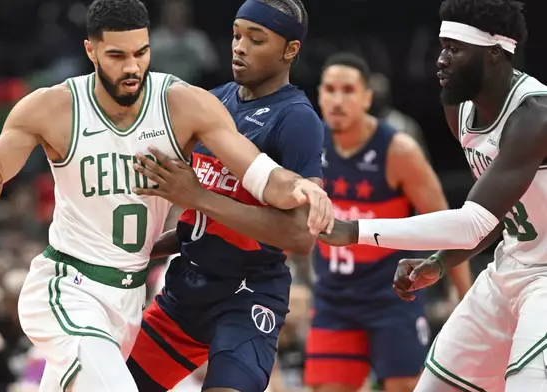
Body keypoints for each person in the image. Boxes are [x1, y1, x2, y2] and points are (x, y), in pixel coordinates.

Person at [0, 0, 333, 390]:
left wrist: (303, 189)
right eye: (117, 55)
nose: (132, 67)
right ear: (91, 51)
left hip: (131, 299)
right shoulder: (51, 107)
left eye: (141, 53)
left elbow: (265, 176)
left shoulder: (186, 105)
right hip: (69, 287)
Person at [319, 0, 547, 390]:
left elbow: (472, 221)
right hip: (510, 266)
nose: (440, 60)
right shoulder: (457, 108)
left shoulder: (535, 116)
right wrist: (441, 262)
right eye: (442, 47)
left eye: (454, 50)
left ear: (494, 54)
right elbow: (494, 216)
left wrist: (354, 231)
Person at [124, 1, 325, 391]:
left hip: (246, 296)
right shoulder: (213, 102)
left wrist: (198, 197)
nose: (239, 47)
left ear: (290, 50)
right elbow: (200, 224)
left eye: (256, 38)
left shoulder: (297, 119)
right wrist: (141, 249)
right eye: (236, 35)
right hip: (186, 291)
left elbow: (301, 237)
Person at [304, 53, 472, 392]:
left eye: (348, 90)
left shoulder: (399, 150)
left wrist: (465, 297)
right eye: (330, 90)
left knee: (406, 386)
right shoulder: (307, 144)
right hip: (334, 298)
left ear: (368, 97)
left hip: (393, 297)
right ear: (319, 94)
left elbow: (450, 227)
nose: (337, 100)